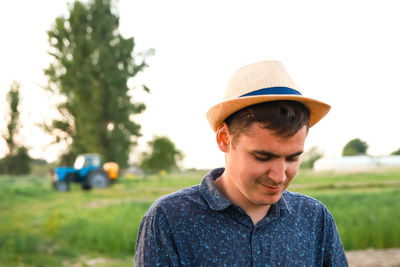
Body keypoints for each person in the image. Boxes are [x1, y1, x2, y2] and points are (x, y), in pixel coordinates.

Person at [134, 60, 348, 266]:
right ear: (224, 139)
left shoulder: (315, 218)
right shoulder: (169, 219)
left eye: (292, 157)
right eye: (263, 157)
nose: (279, 176)